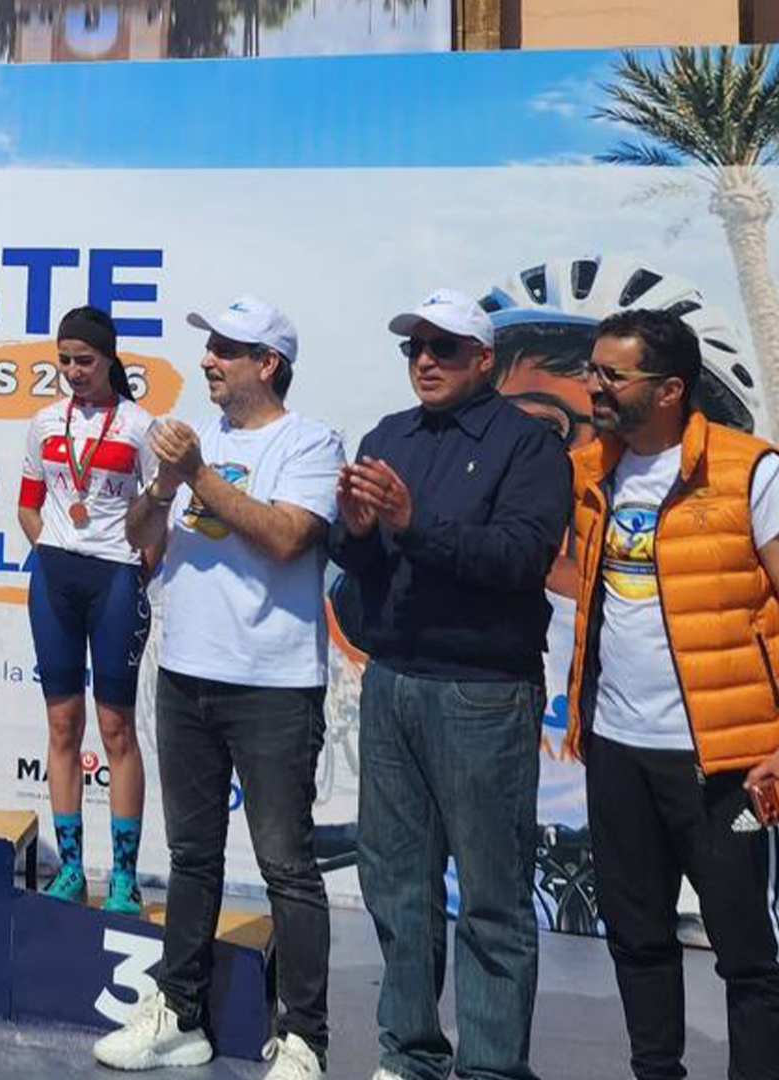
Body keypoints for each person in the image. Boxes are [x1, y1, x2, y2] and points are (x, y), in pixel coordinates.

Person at [94, 297, 341, 1080]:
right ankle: (181, 1016)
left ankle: (304, 1039)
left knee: (285, 865)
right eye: (209, 347)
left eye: (226, 349)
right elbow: (140, 540)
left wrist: (197, 472)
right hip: (185, 673)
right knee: (192, 857)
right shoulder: (191, 440)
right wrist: (164, 487)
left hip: (273, 684)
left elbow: (287, 537)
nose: (207, 360)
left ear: (267, 364)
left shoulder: (309, 442)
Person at [329, 289, 569, 1080]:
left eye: (444, 348)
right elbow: (361, 565)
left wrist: (412, 522)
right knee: (396, 886)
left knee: (493, 899)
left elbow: (520, 558)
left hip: (482, 693)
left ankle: (492, 1068)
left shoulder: (528, 446)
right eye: (415, 348)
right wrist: (356, 533)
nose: (425, 361)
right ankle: (409, 1055)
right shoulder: (387, 436)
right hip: (392, 681)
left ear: (484, 359)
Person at [563, 308, 779, 1080]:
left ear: (669, 390)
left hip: (720, 761)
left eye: (611, 374)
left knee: (746, 953)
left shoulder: (750, 471)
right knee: (637, 939)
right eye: (592, 369)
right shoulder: (591, 470)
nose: (593, 385)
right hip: (617, 749)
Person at [14, 306, 155, 911]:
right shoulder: (45, 421)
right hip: (54, 577)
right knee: (62, 726)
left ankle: (123, 877)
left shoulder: (140, 426)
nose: (74, 371)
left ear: (109, 359)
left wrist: (139, 565)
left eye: (85, 361)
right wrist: (50, 545)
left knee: (116, 729)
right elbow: (27, 503)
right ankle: (70, 868)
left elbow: (159, 512)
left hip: (116, 578)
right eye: (65, 361)